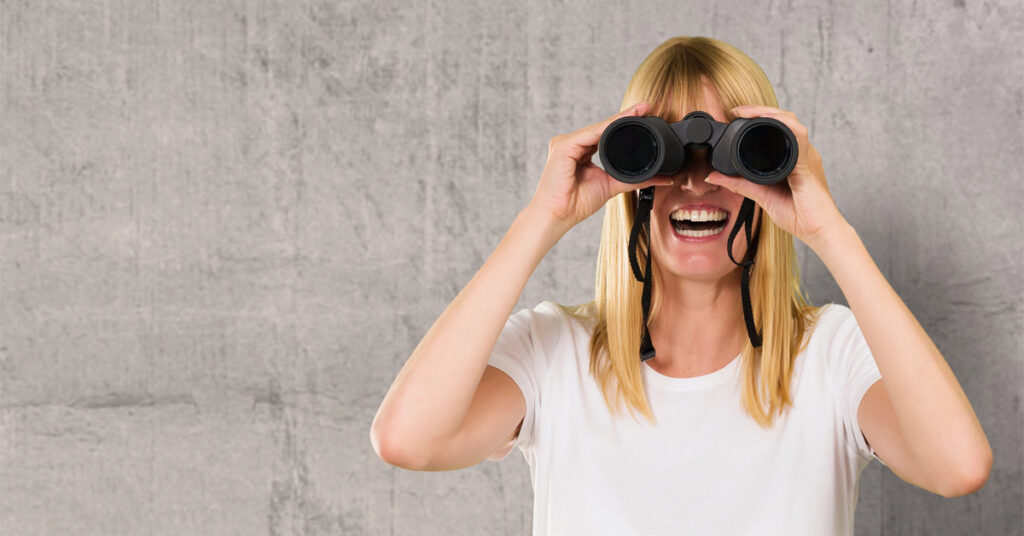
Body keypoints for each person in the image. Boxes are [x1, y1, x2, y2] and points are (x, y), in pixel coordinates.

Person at [370, 36, 991, 535]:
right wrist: (544, 218)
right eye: (660, 152)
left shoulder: (831, 354)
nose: (697, 184)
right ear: (630, 173)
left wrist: (828, 230)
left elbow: (957, 467)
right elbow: (407, 440)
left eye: (732, 154)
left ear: (773, 169)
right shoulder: (554, 353)